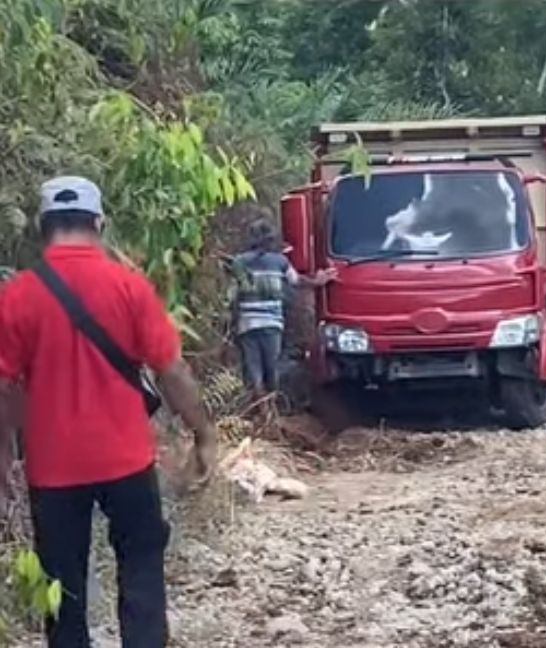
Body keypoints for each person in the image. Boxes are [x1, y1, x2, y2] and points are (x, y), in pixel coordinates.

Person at [0, 176, 217, 647]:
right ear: (99, 222)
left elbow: (4, 386)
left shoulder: (19, 295)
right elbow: (171, 371)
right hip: (127, 463)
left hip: (52, 469)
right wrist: (203, 434)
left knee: (62, 589)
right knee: (140, 570)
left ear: (43, 226)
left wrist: (3, 453)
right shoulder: (130, 288)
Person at [232, 219, 335, 403]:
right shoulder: (280, 262)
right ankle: (270, 411)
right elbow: (297, 281)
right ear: (270, 240)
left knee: (253, 370)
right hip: (271, 325)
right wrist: (318, 281)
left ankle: (258, 411)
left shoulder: (239, 262)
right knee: (272, 369)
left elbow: (234, 293)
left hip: (247, 325)